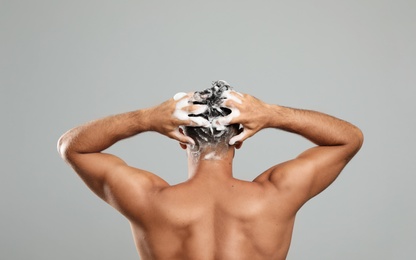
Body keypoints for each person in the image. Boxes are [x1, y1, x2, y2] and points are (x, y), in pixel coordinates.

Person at [57, 80, 363, 260]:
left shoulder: (150, 202)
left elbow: (72, 146)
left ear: (181, 140)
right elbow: (348, 139)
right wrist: (272, 114)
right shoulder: (276, 195)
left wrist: (145, 118)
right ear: (240, 141)